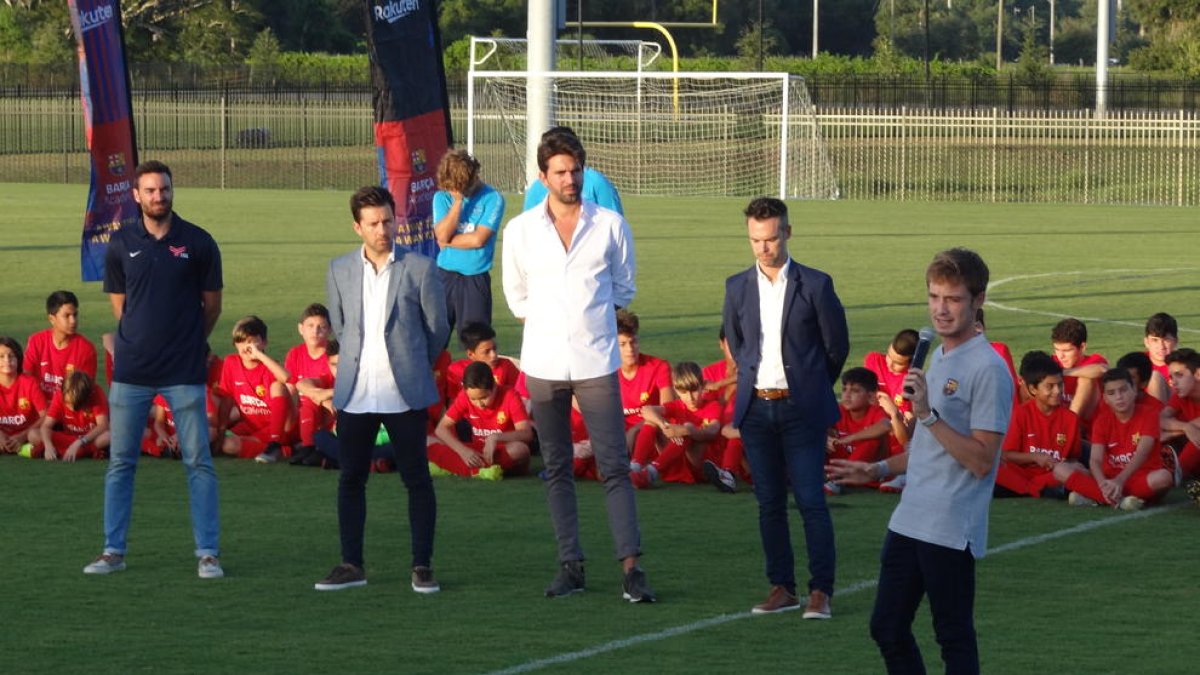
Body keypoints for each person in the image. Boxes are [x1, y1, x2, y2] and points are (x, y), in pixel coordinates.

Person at [829, 247, 1013, 674]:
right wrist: (876, 469)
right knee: (886, 627)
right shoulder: (939, 356)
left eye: (952, 299)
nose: (940, 309)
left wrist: (929, 414)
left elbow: (983, 460)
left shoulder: (989, 369)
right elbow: (928, 449)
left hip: (950, 526)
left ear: (978, 301)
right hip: (910, 516)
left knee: (953, 636)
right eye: (934, 297)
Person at [501, 130, 654, 603]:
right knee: (559, 467)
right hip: (545, 365)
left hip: (596, 362)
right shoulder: (520, 230)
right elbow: (516, 297)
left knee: (613, 466)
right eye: (561, 172)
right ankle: (571, 565)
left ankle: (631, 568)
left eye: (576, 170)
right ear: (543, 176)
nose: (570, 179)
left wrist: (588, 320)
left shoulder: (609, 224)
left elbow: (623, 287)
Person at [85, 160, 224, 579]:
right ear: (136, 196)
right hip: (132, 371)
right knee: (121, 462)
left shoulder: (198, 242)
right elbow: (121, 308)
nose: (158, 197)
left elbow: (211, 305)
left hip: (184, 370)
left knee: (198, 461)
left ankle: (208, 553)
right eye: (150, 191)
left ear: (171, 191)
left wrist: (188, 340)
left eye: (164, 189)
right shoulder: (120, 242)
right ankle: (113, 551)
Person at [315, 186, 448, 593]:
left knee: (417, 480)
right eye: (373, 223)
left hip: (403, 392)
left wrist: (410, 364)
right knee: (351, 479)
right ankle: (351, 564)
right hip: (355, 393)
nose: (382, 229)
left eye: (388, 220)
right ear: (357, 226)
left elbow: (438, 329)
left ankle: (422, 566)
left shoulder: (421, 268)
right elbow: (340, 326)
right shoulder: (339, 269)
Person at [722, 196, 849, 618]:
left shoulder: (816, 284)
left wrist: (810, 387)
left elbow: (836, 346)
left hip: (800, 410)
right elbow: (737, 343)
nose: (763, 247)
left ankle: (820, 591)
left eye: (771, 238)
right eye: (755, 239)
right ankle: (782, 587)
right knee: (769, 503)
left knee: (811, 500)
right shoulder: (737, 286)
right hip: (756, 409)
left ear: (787, 233)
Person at [1064, 369, 1172, 510]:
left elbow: (1142, 453)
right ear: (1105, 399)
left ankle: (1098, 498)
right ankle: (1119, 500)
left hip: (1139, 476)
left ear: (1134, 390)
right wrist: (1103, 484)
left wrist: (1120, 481)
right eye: (1112, 393)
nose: (1119, 397)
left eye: (1123, 390)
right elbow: (1095, 460)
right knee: (1061, 469)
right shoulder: (1102, 421)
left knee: (1164, 477)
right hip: (1109, 479)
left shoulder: (1149, 414)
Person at [432, 149, 505, 335]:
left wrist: (447, 241)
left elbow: (478, 239)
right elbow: (442, 234)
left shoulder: (493, 198)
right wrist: (457, 201)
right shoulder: (442, 197)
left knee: (476, 341)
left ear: (474, 176)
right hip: (444, 276)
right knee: (434, 338)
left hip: (475, 278)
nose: (453, 192)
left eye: (460, 189)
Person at [994, 351, 1083, 499]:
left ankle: (1034, 489)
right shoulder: (1020, 413)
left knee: (1075, 470)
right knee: (995, 468)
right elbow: (1007, 455)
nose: (1057, 391)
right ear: (1033, 389)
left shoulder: (1070, 419)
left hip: (1053, 474)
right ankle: (1039, 489)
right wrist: (1035, 457)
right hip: (1022, 474)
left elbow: (1073, 458)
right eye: (1050, 386)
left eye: (1060, 385)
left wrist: (1069, 466)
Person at [428, 361, 532, 479]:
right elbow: (441, 429)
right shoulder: (464, 396)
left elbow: (526, 433)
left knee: (520, 450)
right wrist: (463, 451)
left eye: (484, 398)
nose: (479, 404)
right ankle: (482, 471)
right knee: (427, 440)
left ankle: (457, 468)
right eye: (473, 399)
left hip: (501, 451)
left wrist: (495, 437)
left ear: (494, 387)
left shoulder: (510, 395)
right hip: (477, 451)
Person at [628, 361, 722, 488]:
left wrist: (687, 430)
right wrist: (665, 426)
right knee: (652, 421)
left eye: (694, 390)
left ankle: (651, 472)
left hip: (700, 465)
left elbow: (713, 430)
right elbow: (647, 410)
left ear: (703, 386)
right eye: (684, 392)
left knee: (686, 429)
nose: (690, 397)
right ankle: (635, 466)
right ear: (676, 391)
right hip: (678, 459)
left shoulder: (712, 406)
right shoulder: (678, 405)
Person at [215, 316, 293, 462]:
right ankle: (278, 449)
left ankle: (278, 447)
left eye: (252, 341)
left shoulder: (270, 366)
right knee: (219, 442)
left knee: (277, 386)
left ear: (264, 343)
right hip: (250, 425)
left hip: (275, 428)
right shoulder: (231, 363)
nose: (247, 346)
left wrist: (259, 355)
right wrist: (221, 430)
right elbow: (226, 398)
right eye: (242, 341)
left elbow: (287, 378)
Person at [823, 367, 904, 496]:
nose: (847, 395)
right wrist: (825, 437)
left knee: (872, 439)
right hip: (840, 464)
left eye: (855, 391)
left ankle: (838, 480)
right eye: (844, 389)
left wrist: (851, 438)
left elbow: (885, 426)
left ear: (871, 396)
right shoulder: (838, 410)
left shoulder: (875, 411)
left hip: (868, 471)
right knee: (816, 437)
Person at [522, 126, 623, 215]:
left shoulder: (597, 183)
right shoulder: (536, 188)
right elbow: (528, 227)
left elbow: (614, 221)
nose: (570, 180)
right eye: (560, 172)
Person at [616, 309, 674, 450]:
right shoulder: (607, 372)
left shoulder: (658, 367)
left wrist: (635, 430)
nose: (630, 349)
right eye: (622, 344)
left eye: (633, 342)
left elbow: (668, 409)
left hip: (651, 432)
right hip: (617, 433)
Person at [24, 290, 98, 398]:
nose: (73, 321)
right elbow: (26, 380)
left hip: (69, 410)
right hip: (40, 408)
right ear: (51, 319)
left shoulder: (86, 349)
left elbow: (83, 391)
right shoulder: (36, 341)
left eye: (75, 315)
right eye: (67, 316)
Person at [285, 304, 335, 465]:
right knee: (294, 393)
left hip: (328, 413)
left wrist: (318, 398)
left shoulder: (334, 356)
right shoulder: (295, 354)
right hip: (302, 414)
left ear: (330, 330)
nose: (315, 331)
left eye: (322, 327)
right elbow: (293, 388)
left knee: (309, 401)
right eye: (310, 326)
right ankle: (302, 446)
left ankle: (309, 448)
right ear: (301, 329)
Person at [36, 371, 109, 461]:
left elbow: (103, 425)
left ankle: (68, 452)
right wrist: (48, 446)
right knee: (33, 434)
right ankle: (85, 452)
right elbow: (46, 426)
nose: (71, 408)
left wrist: (79, 443)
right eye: (68, 403)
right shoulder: (59, 395)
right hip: (67, 437)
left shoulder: (96, 393)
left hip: (89, 438)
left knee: (109, 436)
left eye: (76, 405)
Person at [1050, 318, 1107, 421]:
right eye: (1057, 350)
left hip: (1087, 420)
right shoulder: (1052, 361)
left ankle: (1069, 425)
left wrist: (1063, 372)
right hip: (1057, 418)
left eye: (1067, 350)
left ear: (1082, 347)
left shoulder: (1092, 361)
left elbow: (1102, 369)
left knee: (1086, 378)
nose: (1061, 356)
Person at [0, 336, 48, 456]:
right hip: (3, 436)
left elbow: (46, 416)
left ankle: (26, 449)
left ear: (19, 359)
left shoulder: (29, 382)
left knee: (37, 436)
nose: (7, 360)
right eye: (1, 357)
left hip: (27, 436)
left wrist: (23, 436)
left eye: (11, 356)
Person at [1162, 348, 1200, 483]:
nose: (1173, 382)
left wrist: (1177, 431)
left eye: (1179, 375)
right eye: (1171, 377)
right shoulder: (1181, 395)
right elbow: (1160, 419)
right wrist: (1185, 428)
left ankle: (1176, 473)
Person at [863, 328, 918, 417]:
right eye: (889, 356)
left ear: (912, 363)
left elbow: (908, 417)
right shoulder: (874, 361)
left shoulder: (911, 381)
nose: (890, 364)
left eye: (898, 363)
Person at [1143, 312, 1178, 401]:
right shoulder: (1137, 363)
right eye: (1155, 340)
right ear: (1146, 342)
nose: (1161, 346)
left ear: (1175, 341)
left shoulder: (1186, 365)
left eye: (1166, 339)